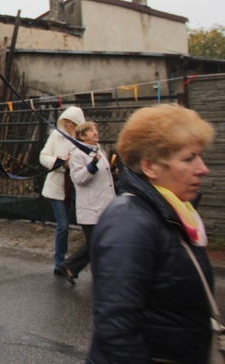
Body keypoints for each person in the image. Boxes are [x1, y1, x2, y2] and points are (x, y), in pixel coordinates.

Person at [88, 104, 215, 362]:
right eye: (189, 158)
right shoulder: (130, 222)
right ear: (150, 166)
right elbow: (117, 333)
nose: (203, 168)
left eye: (200, 157)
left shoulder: (177, 215)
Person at [55, 121, 115, 285]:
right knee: (96, 244)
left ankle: (69, 267)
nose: (95, 133)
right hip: (91, 208)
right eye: (90, 131)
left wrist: (113, 171)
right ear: (81, 136)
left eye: (95, 129)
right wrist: (92, 166)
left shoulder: (98, 149)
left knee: (97, 243)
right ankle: (100, 277)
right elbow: (79, 179)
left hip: (105, 205)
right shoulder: (77, 154)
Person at [39, 105, 85, 276]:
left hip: (78, 186)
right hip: (57, 187)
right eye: (65, 122)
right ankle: (60, 263)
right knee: (63, 225)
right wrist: (61, 163)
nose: (67, 126)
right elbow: (43, 156)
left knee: (86, 226)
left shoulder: (82, 140)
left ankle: (77, 263)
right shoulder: (56, 136)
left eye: (70, 123)